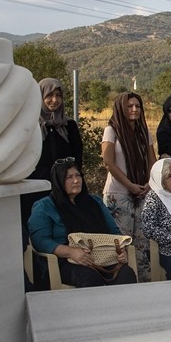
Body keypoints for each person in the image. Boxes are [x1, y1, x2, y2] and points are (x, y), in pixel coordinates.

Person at [28, 159, 136, 287]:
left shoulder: (95, 202)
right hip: (66, 261)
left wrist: (120, 250)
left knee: (126, 273)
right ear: (58, 181)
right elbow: (40, 241)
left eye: (78, 175)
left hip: (102, 258)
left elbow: (114, 233)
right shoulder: (44, 206)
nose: (76, 180)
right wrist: (71, 251)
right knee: (89, 276)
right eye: (69, 177)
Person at [102, 91, 156, 281]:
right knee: (121, 242)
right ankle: (120, 281)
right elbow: (108, 162)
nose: (134, 110)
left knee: (142, 243)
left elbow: (152, 161)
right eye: (129, 106)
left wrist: (149, 184)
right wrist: (129, 185)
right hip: (119, 194)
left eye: (137, 106)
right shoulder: (112, 131)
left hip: (142, 192)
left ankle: (142, 283)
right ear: (121, 108)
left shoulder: (144, 133)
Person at [22, 78, 84, 227]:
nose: (54, 100)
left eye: (58, 95)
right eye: (49, 95)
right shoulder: (30, 125)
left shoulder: (69, 126)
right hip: (36, 190)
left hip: (65, 190)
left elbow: (77, 159)